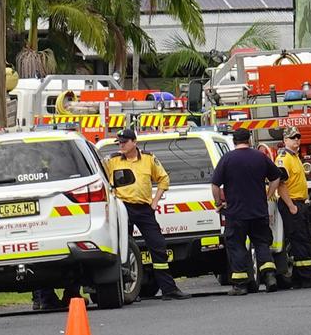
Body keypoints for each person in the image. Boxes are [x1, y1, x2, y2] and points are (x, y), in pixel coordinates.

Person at [105, 128, 190, 300]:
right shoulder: (112, 161)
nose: (121, 145)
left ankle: (168, 289)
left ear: (134, 142)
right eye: (119, 143)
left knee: (158, 246)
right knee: (124, 249)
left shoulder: (148, 159)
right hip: (123, 208)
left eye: (124, 142)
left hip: (144, 208)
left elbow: (163, 179)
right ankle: (128, 290)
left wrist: (155, 202)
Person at [211, 128, 282, 295]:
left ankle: (241, 284)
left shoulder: (227, 159)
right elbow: (276, 177)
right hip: (258, 211)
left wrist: (219, 202)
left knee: (237, 246)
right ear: (249, 140)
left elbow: (215, 185)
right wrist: (268, 195)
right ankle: (270, 276)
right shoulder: (260, 157)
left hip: (236, 213)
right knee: (261, 243)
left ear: (234, 141)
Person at [275, 127, 311, 288]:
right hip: (292, 204)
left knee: (304, 239)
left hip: (299, 203)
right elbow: (280, 183)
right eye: (293, 138)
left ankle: (299, 277)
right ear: (285, 140)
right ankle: (307, 278)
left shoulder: (294, 157)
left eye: (298, 137)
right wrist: (291, 206)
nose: (296, 140)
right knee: (300, 240)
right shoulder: (284, 158)